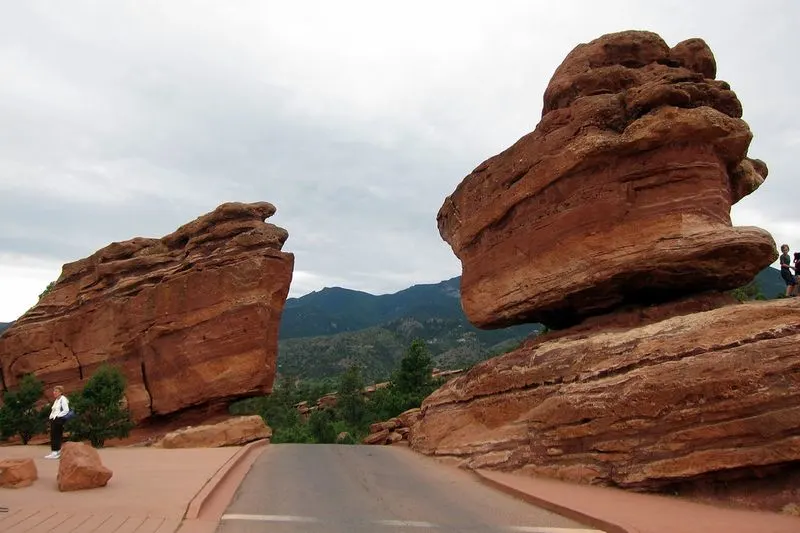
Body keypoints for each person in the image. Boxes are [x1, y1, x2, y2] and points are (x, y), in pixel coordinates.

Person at [45, 385, 70, 459]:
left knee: (56, 435)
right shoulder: (57, 400)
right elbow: (54, 410)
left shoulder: (63, 399)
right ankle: (56, 451)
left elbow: (66, 410)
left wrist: (58, 416)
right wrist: (51, 417)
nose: (54, 392)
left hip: (58, 420)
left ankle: (55, 452)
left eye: (56, 391)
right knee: (54, 435)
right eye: (54, 391)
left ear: (61, 392)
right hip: (54, 419)